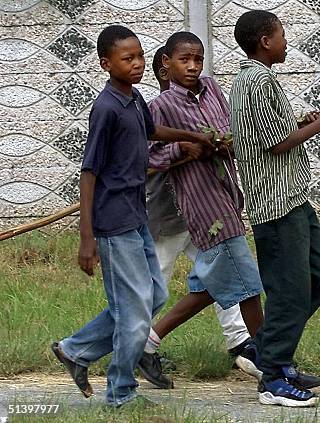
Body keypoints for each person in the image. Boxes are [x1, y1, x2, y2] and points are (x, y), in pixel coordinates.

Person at [51, 25, 219, 408]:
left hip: (136, 214)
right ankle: (121, 392)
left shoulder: (134, 98)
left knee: (154, 295)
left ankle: (75, 351)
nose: (137, 64)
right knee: (134, 311)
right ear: (106, 63)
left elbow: (151, 130)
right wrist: (86, 237)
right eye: (127, 59)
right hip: (112, 222)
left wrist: (191, 137)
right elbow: (89, 172)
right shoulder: (106, 107)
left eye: (140, 56)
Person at [229, 10, 320, 407]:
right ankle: (273, 378)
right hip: (276, 204)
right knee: (290, 290)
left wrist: (304, 121)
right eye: (281, 34)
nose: (286, 40)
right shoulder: (257, 81)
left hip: (293, 195)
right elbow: (276, 144)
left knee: (318, 274)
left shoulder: (258, 79)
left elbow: (274, 130)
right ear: (265, 40)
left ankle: (261, 349)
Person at [143, 32, 265, 385]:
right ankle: (268, 361)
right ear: (166, 66)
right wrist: (181, 149)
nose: (194, 67)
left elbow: (230, 131)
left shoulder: (212, 89)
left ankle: (242, 345)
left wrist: (223, 143)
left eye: (198, 59)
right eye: (185, 60)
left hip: (221, 198)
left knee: (216, 282)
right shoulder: (158, 108)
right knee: (154, 290)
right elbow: (145, 157)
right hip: (182, 210)